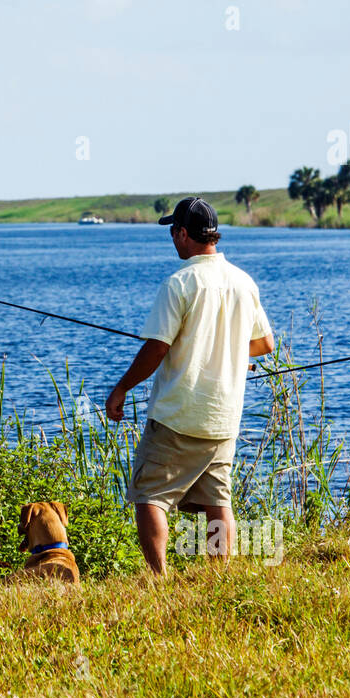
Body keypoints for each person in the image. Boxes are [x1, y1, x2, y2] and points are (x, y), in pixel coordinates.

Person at [106, 197, 275, 573]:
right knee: (218, 501)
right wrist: (230, 352)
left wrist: (121, 389)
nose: (172, 237)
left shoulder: (180, 283)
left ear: (184, 234)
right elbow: (265, 344)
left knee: (150, 495)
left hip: (179, 413)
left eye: (173, 231)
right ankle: (220, 578)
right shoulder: (243, 282)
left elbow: (157, 348)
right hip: (224, 418)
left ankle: (159, 578)